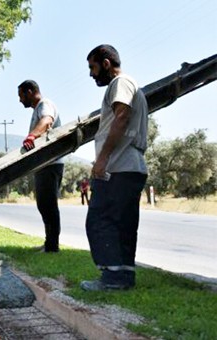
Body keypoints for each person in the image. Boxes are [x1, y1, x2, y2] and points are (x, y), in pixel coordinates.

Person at [81, 44, 148, 291]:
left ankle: (112, 278)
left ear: (106, 64)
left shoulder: (120, 83)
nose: (91, 74)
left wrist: (102, 159)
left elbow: (121, 117)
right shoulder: (129, 84)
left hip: (118, 167)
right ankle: (123, 277)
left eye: (93, 67)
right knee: (122, 225)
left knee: (100, 221)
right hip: (130, 166)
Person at [18, 80, 64, 253]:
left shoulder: (45, 105)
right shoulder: (37, 109)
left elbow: (47, 121)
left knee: (48, 204)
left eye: (21, 96)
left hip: (51, 164)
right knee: (43, 204)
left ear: (30, 92)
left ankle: (52, 247)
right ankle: (49, 243)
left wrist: (31, 136)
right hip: (43, 164)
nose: (20, 100)